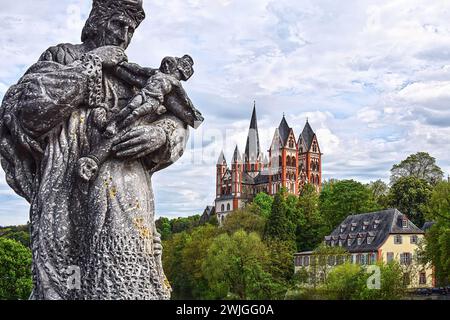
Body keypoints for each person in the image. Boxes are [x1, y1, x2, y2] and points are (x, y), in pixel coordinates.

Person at [0, 0, 196, 300]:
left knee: (128, 284)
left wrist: (161, 134)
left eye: (130, 29)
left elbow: (178, 120)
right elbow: (26, 110)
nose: (123, 35)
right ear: (94, 22)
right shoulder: (63, 57)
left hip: (127, 201)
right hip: (67, 198)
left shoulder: (132, 76)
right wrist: (92, 63)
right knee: (69, 284)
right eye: (118, 24)